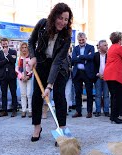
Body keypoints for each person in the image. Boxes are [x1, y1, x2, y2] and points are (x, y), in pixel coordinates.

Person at [28, 2, 73, 142]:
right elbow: (31, 41)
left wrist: (49, 86)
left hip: (59, 67)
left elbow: (58, 61)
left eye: (66, 19)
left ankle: (62, 129)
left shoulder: (66, 36)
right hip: (41, 63)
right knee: (36, 95)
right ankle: (37, 126)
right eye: (60, 18)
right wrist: (33, 56)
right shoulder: (42, 24)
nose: (63, 22)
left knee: (59, 96)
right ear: (54, 16)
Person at [71, 32, 95, 118]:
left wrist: (79, 57)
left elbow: (91, 57)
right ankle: (78, 111)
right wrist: (84, 57)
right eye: (79, 40)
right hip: (77, 73)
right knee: (78, 93)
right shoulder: (75, 48)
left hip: (87, 73)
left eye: (82, 40)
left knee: (89, 93)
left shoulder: (91, 47)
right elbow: (73, 59)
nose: (81, 41)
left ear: (86, 39)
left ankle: (89, 111)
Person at [0, 38, 18, 117]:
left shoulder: (13, 51)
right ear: (1, 44)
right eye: (3, 44)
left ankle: (14, 110)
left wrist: (7, 55)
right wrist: (7, 59)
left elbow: (13, 61)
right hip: (3, 76)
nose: (4, 45)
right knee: (4, 94)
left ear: (8, 43)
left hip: (12, 76)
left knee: (13, 93)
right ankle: (4, 111)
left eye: (6, 43)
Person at [15, 42, 33, 118]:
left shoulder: (31, 57)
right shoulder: (19, 58)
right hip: (21, 78)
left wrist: (28, 76)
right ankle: (23, 110)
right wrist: (21, 77)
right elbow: (16, 69)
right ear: (20, 49)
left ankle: (30, 110)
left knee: (29, 94)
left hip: (29, 78)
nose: (24, 49)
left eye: (25, 47)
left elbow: (33, 69)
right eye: (23, 47)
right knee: (23, 95)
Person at [93, 39, 110, 117]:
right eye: (105, 45)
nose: (107, 46)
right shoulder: (95, 55)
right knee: (98, 95)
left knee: (106, 95)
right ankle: (98, 111)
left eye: (107, 45)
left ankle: (106, 111)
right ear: (100, 46)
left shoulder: (109, 55)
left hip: (107, 77)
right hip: (98, 77)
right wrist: (97, 74)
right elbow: (92, 67)